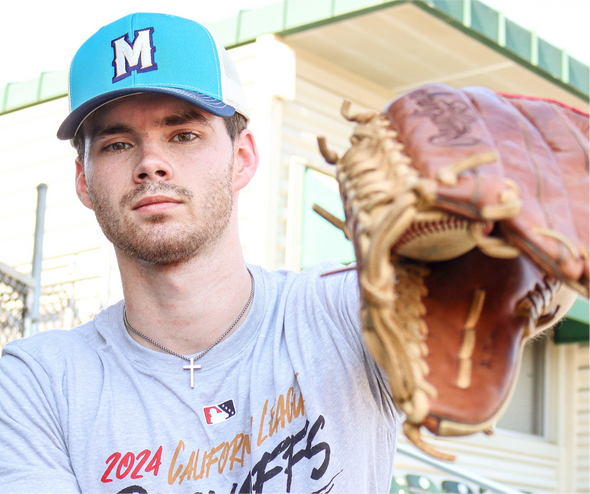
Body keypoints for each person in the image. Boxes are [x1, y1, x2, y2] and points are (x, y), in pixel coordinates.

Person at [0, 12, 399, 494]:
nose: (151, 163)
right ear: (84, 180)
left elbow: (498, 305)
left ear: (243, 157)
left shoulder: (341, 310)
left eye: (183, 134)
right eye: (117, 143)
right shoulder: (40, 383)